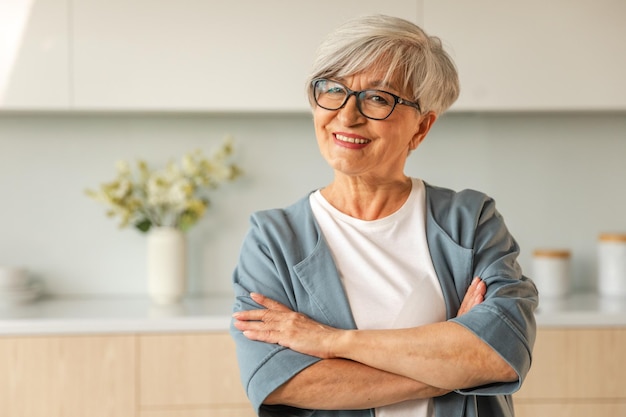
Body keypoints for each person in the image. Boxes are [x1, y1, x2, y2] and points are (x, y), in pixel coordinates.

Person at [230, 14, 538, 417]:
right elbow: (284, 382)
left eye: (378, 98)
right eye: (333, 89)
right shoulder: (274, 240)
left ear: (421, 128)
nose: (346, 115)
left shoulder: (470, 221)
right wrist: (454, 363)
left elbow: (502, 353)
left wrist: (332, 343)